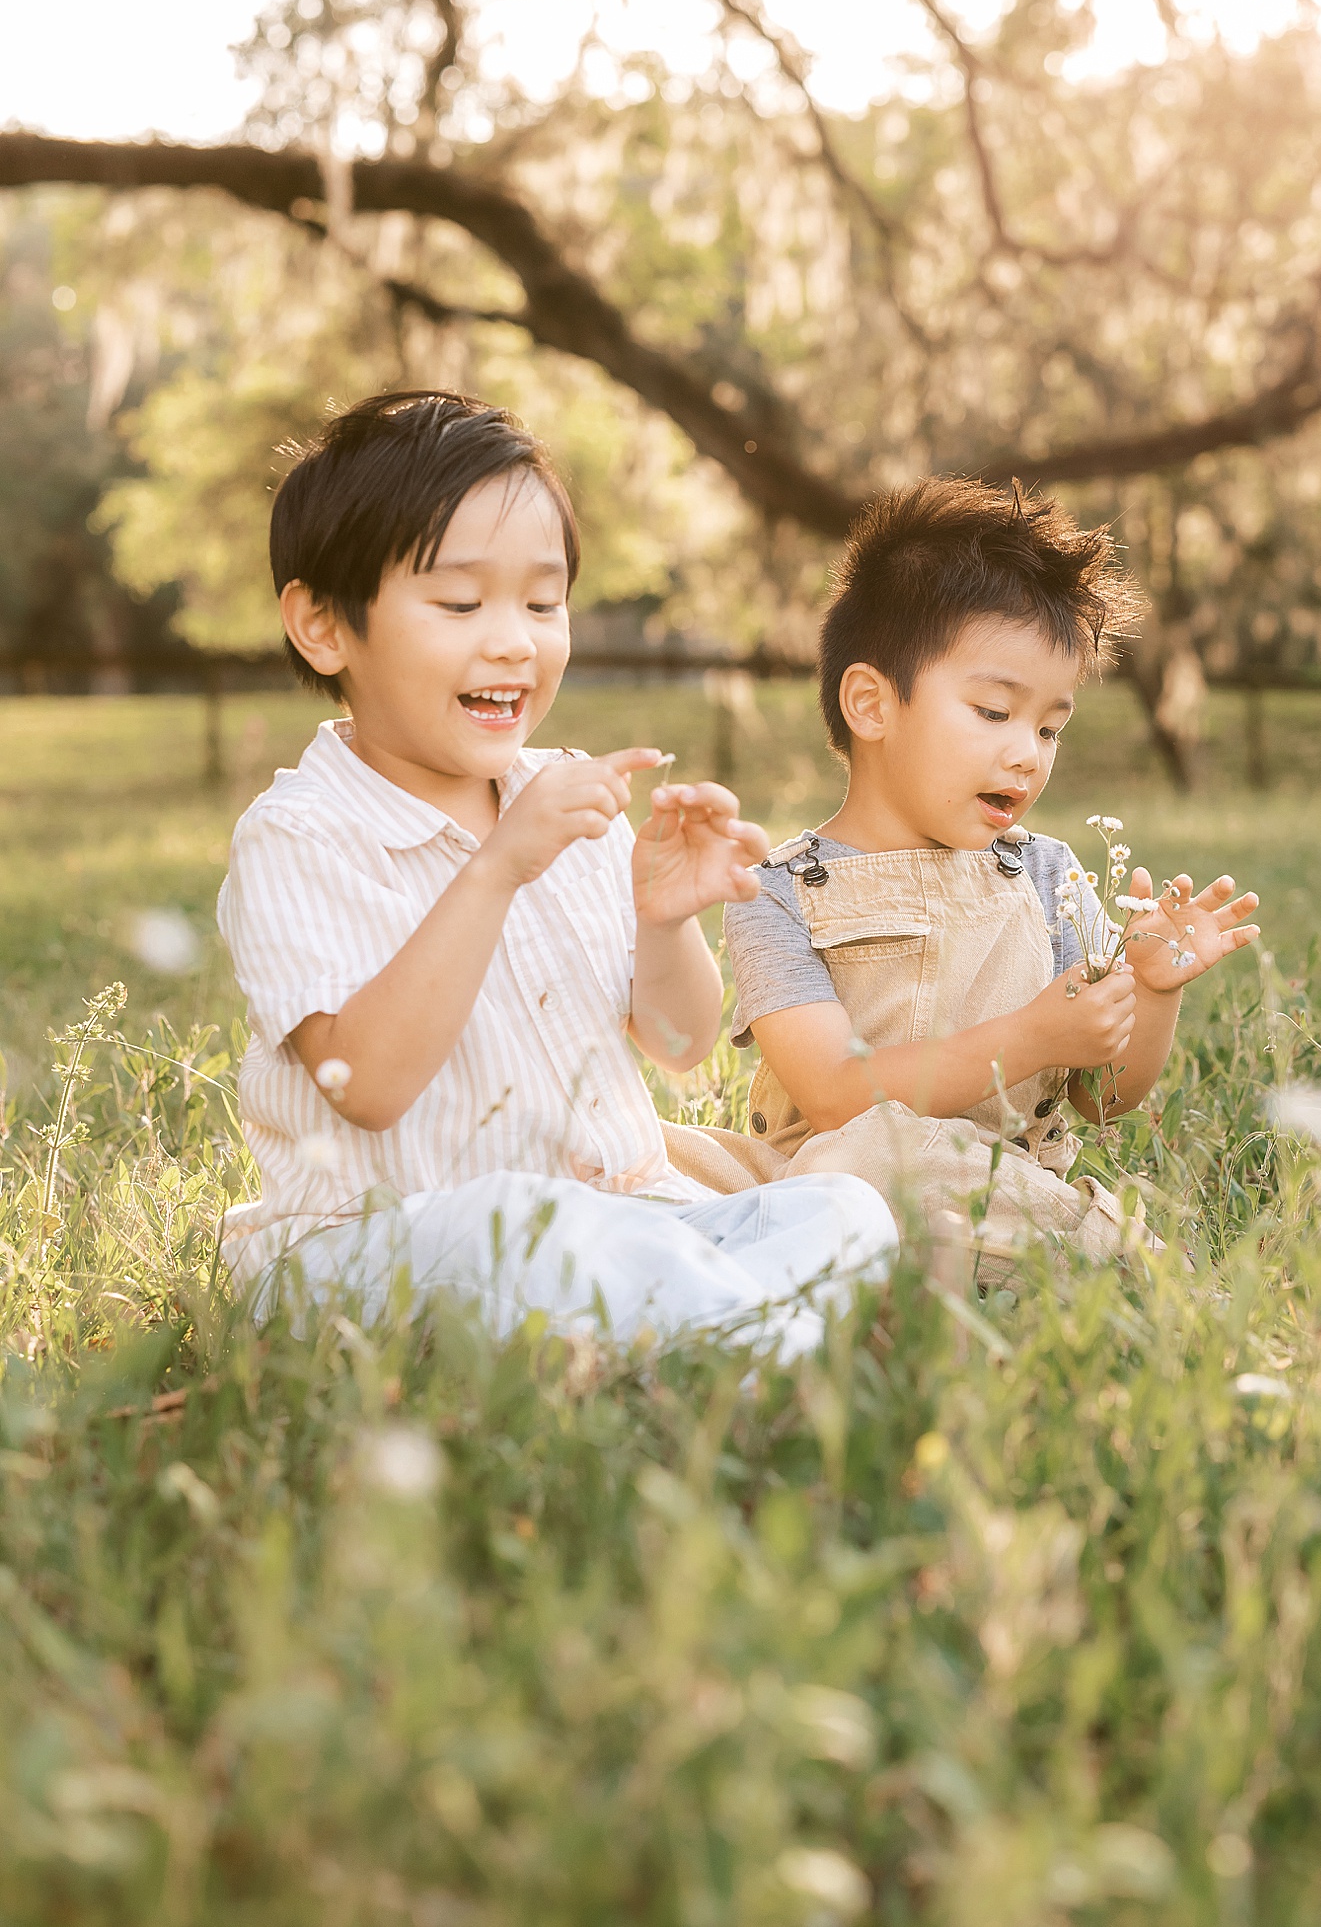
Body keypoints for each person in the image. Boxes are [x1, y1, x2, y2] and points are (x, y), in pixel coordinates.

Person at [216, 390, 895, 1364]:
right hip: (383, 1244)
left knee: (844, 1208)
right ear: (324, 626)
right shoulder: (300, 836)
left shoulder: (563, 801)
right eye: (460, 602)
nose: (514, 639)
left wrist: (663, 922)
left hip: (617, 1219)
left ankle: (710, 1325)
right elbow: (361, 1084)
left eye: (543, 602)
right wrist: (497, 869)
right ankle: (758, 1348)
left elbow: (679, 1042)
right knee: (542, 1229)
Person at [720, 479, 1261, 1276]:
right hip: (815, 1185)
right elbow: (836, 1094)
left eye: (1049, 727)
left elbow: (1100, 1096)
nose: (1027, 754)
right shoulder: (776, 893)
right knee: (664, 1160)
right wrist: (1030, 1036)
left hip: (987, 1190)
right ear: (872, 705)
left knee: (890, 1174)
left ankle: (1087, 1253)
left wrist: (1152, 993)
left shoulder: (1047, 877)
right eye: (994, 713)